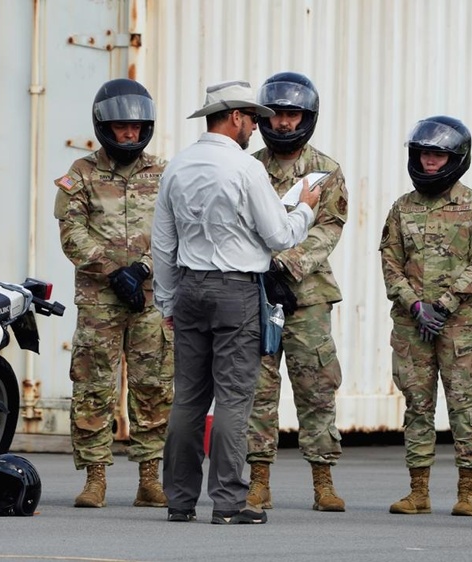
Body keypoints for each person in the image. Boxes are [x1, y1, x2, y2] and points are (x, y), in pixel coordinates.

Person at [151, 79, 320, 525]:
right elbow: (279, 236)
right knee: (232, 397)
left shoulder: (177, 167)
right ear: (237, 117)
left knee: (187, 397)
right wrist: (303, 207)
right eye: (253, 120)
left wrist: (166, 302)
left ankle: (179, 500)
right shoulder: (246, 170)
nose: (257, 129)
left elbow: (162, 245)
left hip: (189, 287)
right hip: (236, 290)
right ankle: (227, 502)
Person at [53, 78, 173, 509]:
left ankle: (149, 479)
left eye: (137, 128)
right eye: (122, 127)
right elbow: (72, 233)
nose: (130, 134)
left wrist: (143, 269)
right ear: (105, 125)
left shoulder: (165, 173)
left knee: (154, 388)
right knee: (93, 387)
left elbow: (179, 232)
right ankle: (95, 478)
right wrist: (113, 270)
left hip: (151, 300)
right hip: (100, 302)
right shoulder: (81, 174)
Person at [378, 116, 472, 517]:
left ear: (455, 158)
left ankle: (468, 492)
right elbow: (390, 262)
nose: (430, 162)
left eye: (439, 155)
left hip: (459, 325)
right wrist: (414, 305)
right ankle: (419, 491)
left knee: (464, 406)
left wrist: (443, 304)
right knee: (417, 405)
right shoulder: (402, 207)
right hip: (412, 325)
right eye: (425, 154)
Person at [244, 72, 349, 513]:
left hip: (307, 297)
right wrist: (264, 270)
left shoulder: (326, 170)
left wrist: (289, 265)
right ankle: (258, 480)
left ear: (307, 118)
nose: (285, 123)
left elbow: (329, 227)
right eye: (278, 115)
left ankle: (323, 481)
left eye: (293, 115)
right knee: (256, 389)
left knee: (317, 387)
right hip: (256, 294)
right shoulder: (246, 166)